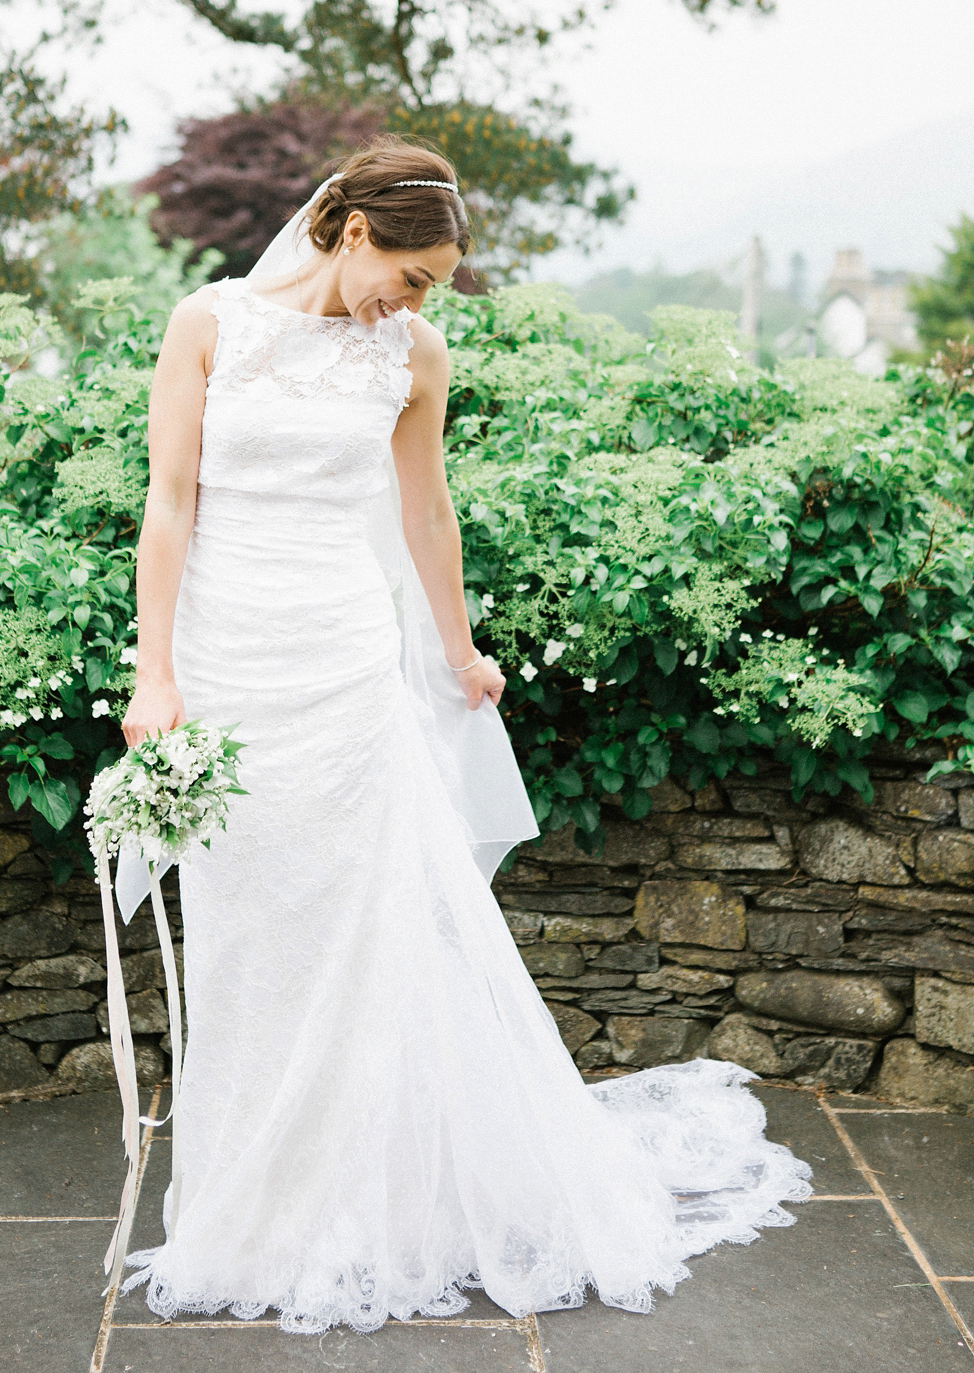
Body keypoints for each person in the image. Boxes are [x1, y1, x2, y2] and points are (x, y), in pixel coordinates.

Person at [118, 136, 811, 1335]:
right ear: (348, 230)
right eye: (412, 272)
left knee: (370, 926)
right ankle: (252, 1206)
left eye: (432, 284)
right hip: (231, 661)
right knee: (252, 928)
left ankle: (379, 1204)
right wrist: (155, 672)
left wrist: (456, 648)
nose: (416, 299)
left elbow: (423, 506)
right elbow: (169, 502)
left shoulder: (416, 355)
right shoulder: (209, 324)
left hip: (344, 662)